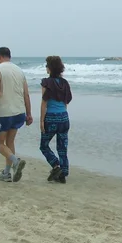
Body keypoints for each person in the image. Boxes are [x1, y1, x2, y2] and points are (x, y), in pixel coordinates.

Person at [0, 47, 33, 182]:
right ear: (9, 56)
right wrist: (29, 114)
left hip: (5, 112)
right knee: (10, 141)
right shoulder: (19, 71)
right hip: (19, 111)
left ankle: (15, 162)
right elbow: (26, 94)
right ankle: (6, 172)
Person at [40, 56, 72, 184]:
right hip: (64, 118)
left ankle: (56, 166)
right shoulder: (64, 83)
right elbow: (66, 102)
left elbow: (44, 103)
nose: (46, 67)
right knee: (62, 147)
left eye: (47, 65)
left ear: (50, 68)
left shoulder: (46, 82)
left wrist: (42, 121)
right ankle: (63, 173)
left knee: (44, 146)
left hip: (51, 118)